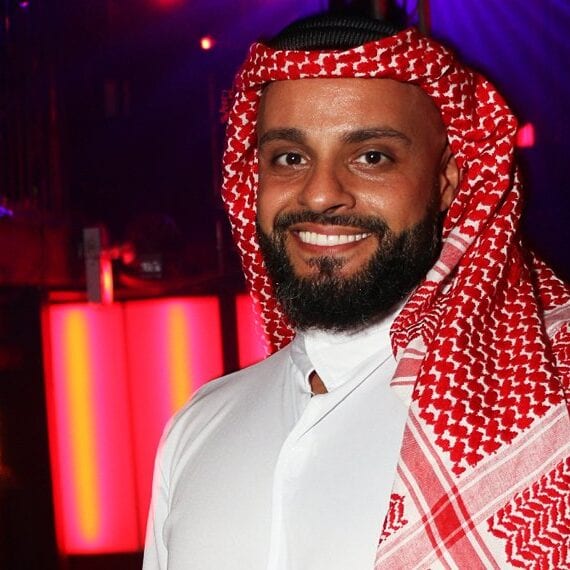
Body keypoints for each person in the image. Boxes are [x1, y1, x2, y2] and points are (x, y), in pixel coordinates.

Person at [143, 12, 570, 570]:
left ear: (447, 181)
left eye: (371, 157)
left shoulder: (553, 407)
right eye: (290, 158)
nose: (320, 194)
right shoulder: (199, 427)